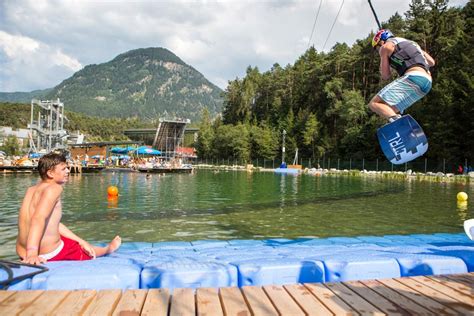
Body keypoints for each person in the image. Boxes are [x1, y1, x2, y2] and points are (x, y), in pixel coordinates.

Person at [16, 152, 121, 265]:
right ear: (50, 173)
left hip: (22, 252)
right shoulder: (54, 188)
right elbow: (38, 219)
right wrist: (32, 253)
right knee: (87, 251)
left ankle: (84, 243)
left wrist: (81, 241)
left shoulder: (31, 190)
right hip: (45, 252)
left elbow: (51, 222)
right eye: (63, 169)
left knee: (77, 242)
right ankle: (107, 250)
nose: (68, 171)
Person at [368, 29, 435, 122]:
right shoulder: (413, 44)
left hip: (414, 78)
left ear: (381, 41)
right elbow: (431, 62)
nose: (378, 50)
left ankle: (399, 125)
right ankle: (403, 129)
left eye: (377, 47)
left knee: (375, 103)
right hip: (426, 83)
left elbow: (385, 76)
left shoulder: (385, 47)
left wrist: (383, 54)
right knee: (388, 108)